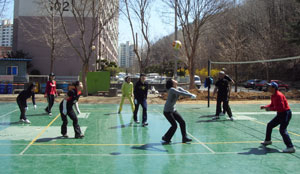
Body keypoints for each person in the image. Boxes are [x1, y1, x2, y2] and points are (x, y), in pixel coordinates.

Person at [260, 82, 295, 153]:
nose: (268, 88)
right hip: (280, 113)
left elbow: (281, 107)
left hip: (285, 113)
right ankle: (268, 141)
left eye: (270, 87)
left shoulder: (279, 95)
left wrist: (270, 109)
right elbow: (272, 104)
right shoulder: (273, 95)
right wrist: (266, 106)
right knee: (270, 125)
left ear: (274, 88)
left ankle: (290, 147)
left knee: (282, 130)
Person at [162, 79, 196, 144]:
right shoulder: (172, 89)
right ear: (172, 83)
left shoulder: (178, 88)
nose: (175, 80)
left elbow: (185, 91)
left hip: (173, 110)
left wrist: (191, 94)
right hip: (167, 111)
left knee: (182, 122)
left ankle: (184, 138)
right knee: (174, 125)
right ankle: (166, 137)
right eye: (173, 80)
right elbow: (180, 93)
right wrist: (190, 96)